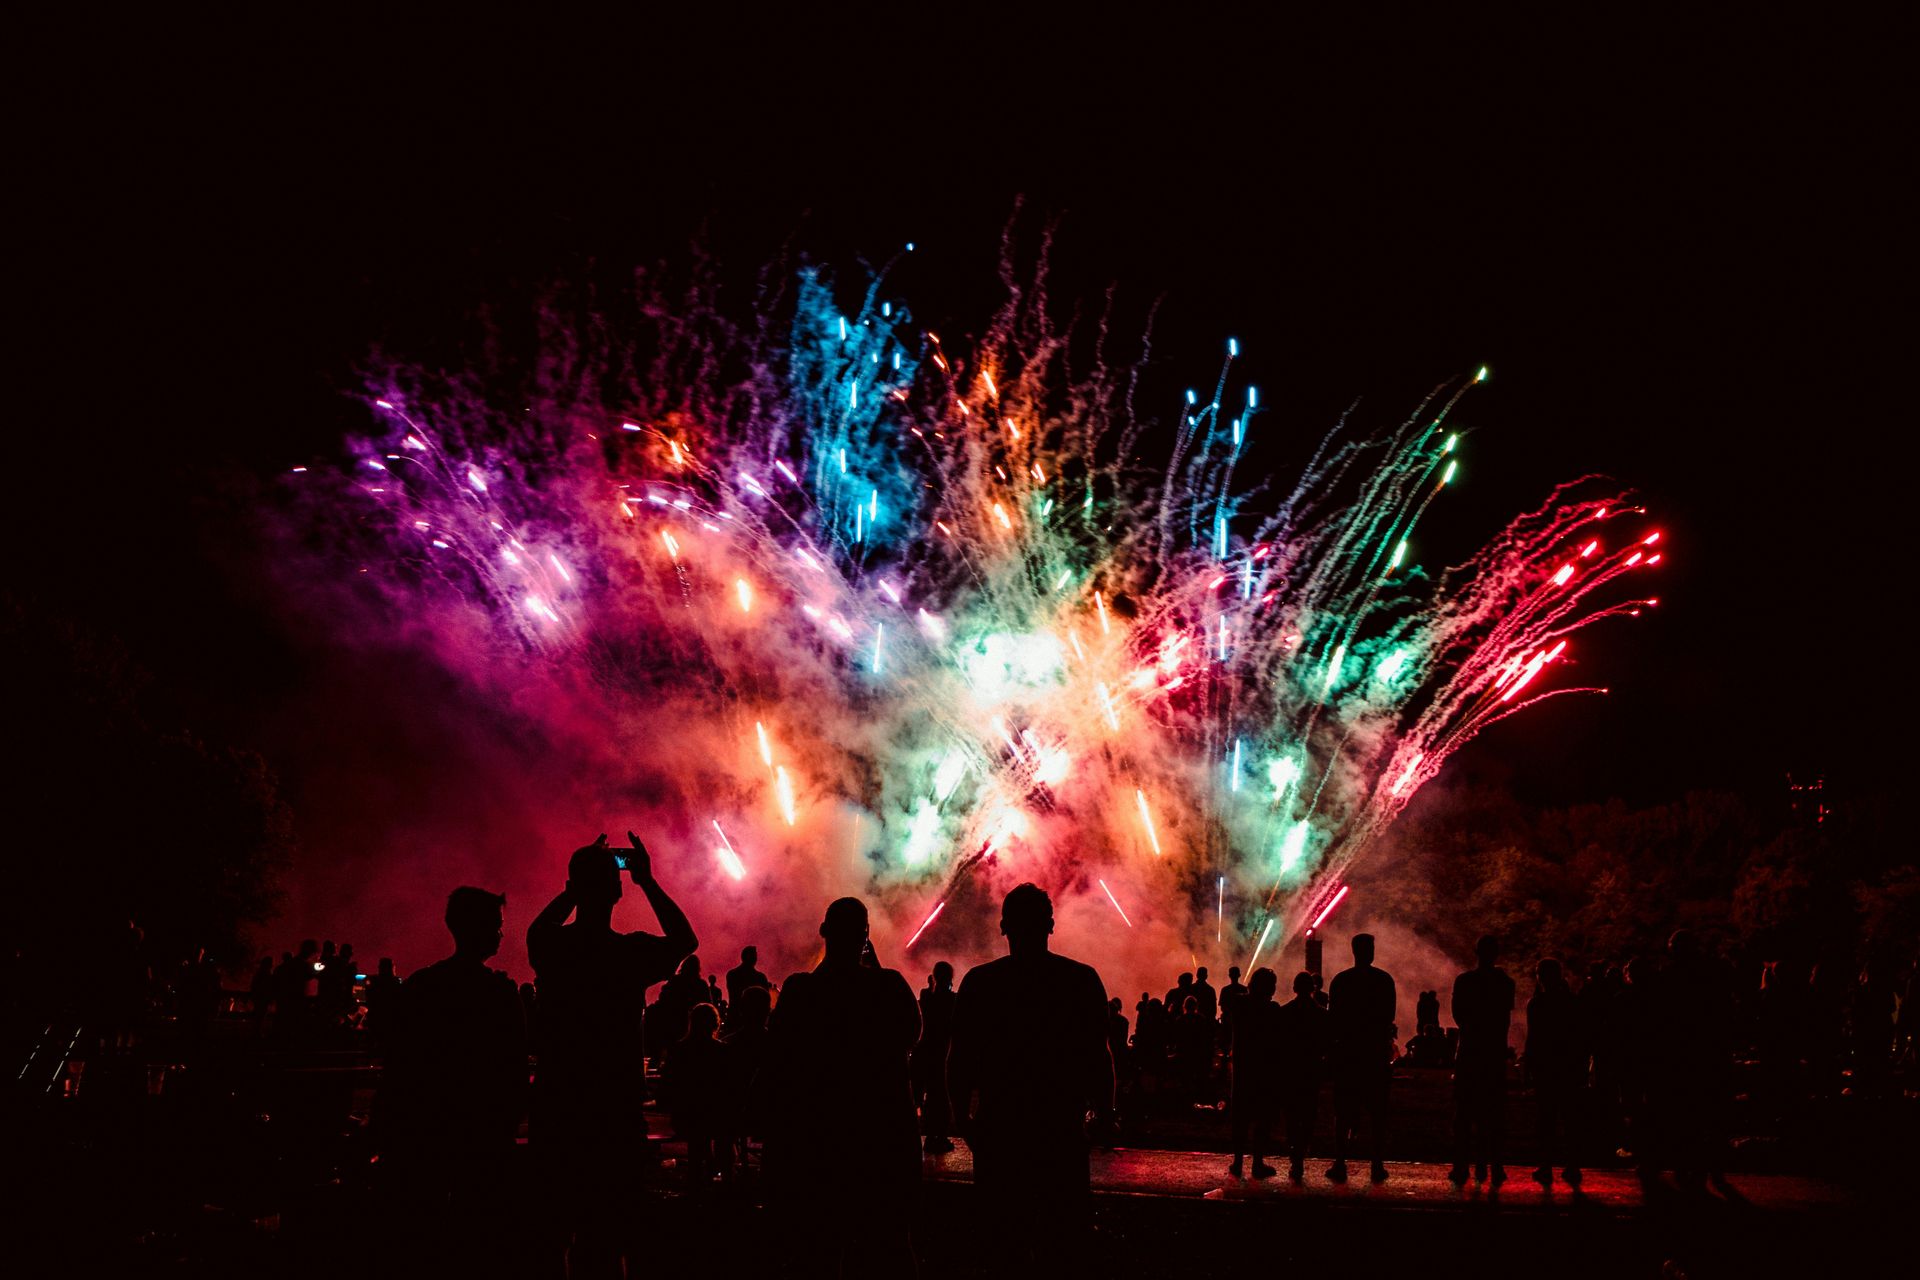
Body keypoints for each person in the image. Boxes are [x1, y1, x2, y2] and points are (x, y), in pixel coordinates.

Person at [526, 833, 697, 1280]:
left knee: (552, 1233)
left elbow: (537, 931)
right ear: (617, 890)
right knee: (607, 1235)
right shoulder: (629, 953)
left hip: (557, 1105)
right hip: (614, 1112)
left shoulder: (554, 948)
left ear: (574, 887)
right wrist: (647, 881)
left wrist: (573, 886)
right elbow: (684, 939)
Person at [948, 884, 1113, 1274]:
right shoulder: (1080, 980)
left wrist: (962, 1117)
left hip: (1000, 1130)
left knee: (1001, 1244)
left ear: (1004, 927)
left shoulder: (980, 983)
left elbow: (960, 1060)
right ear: (1050, 926)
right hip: (1060, 1131)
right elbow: (1098, 1056)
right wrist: (1104, 1113)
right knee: (1064, 1244)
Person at [762, 898, 919, 1277]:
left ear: (823, 932)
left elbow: (779, 1056)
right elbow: (910, 1036)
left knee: (819, 1249)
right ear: (865, 936)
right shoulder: (888, 985)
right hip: (880, 1138)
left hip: (818, 1138)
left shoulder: (800, 991)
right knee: (888, 1247)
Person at [377, 886, 527, 1274]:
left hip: (425, 1133)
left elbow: (399, 1063)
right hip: (481, 1135)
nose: (500, 934)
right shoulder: (499, 994)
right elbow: (512, 1068)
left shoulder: (421, 986)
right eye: (496, 926)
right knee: (475, 1238)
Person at [1326, 932, 1395, 1183]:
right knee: (1377, 1114)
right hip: (1374, 1054)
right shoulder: (1384, 980)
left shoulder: (1341, 981)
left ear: (1354, 951)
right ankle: (1377, 1165)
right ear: (1370, 952)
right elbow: (1388, 1016)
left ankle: (1340, 1162)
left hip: (1348, 1054)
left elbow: (1333, 1020)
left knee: (1343, 1112)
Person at [1448, 935, 1515, 1185]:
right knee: (1494, 1115)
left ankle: (1462, 1166)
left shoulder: (1465, 981)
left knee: (1464, 1115)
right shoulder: (1505, 983)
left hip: (1470, 1052)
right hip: (1493, 1054)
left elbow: (1459, 1017)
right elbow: (1503, 1020)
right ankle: (1494, 1166)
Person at [1525, 957, 1585, 1187]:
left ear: (1541, 977)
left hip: (1546, 1066)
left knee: (1546, 1119)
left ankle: (1547, 1166)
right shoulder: (1571, 1001)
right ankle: (1572, 1166)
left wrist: (1528, 1066)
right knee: (1570, 1118)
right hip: (1567, 1065)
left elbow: (1534, 1037)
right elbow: (1579, 1035)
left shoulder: (1537, 1003)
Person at [1227, 967, 1282, 1178]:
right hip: (1264, 1069)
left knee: (1240, 1117)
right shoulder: (1272, 1009)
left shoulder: (1240, 1004)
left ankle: (1238, 1162)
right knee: (1262, 1118)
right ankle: (1257, 1163)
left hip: (1243, 1068)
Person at [667, 1003, 727, 1188]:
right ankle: (712, 1176)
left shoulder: (679, 1049)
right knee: (707, 1133)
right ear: (715, 1024)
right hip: (715, 1114)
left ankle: (696, 1182)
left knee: (697, 1139)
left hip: (686, 1114)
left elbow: (670, 1085)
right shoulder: (721, 1051)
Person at [1276, 970, 1329, 1180]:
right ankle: (1301, 1151)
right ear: (1313, 988)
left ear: (1295, 988)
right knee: (1308, 1113)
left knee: (1291, 1113)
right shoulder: (1321, 1014)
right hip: (1311, 1069)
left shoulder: (1285, 1011)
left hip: (1290, 1069)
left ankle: (1294, 1153)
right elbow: (1326, 1043)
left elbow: (1278, 1043)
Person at [914, 961, 957, 1153]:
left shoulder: (926, 996)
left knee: (930, 1095)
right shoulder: (952, 999)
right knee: (942, 1096)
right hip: (943, 1052)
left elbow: (926, 997)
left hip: (925, 1051)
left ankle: (931, 1136)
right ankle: (940, 1137)